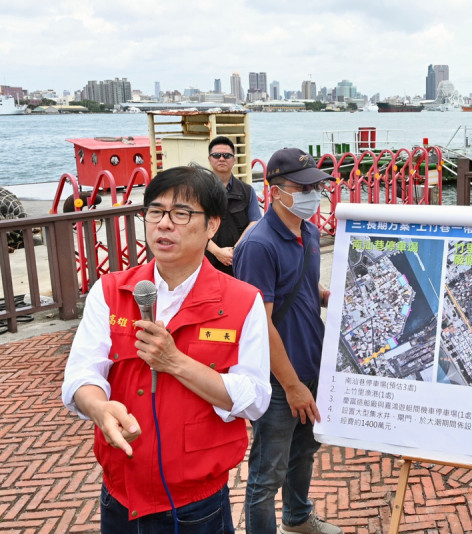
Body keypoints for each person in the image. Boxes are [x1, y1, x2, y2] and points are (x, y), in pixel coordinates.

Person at [61, 165, 272, 533]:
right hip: (120, 497)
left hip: (198, 503)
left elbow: (255, 398)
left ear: (212, 226)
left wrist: (175, 362)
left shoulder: (242, 301)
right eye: (156, 212)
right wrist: (97, 406)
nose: (164, 224)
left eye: (181, 214)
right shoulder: (111, 291)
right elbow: (82, 372)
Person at [234, 148, 339, 534]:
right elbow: (259, 325)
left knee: (304, 453)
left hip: (312, 365)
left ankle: (297, 518)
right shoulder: (258, 246)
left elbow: (305, 284)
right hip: (280, 380)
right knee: (267, 471)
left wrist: (327, 295)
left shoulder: (308, 230)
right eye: (304, 187)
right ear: (275, 193)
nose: (315, 193)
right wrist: (292, 385)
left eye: (318, 185)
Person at [205, 135, 261, 275]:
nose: (222, 159)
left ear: (234, 160)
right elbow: (192, 226)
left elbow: (255, 222)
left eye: (227, 155)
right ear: (209, 159)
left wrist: (235, 250)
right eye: (216, 155)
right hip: (206, 261)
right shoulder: (198, 190)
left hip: (239, 260)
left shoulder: (247, 191)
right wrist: (217, 252)